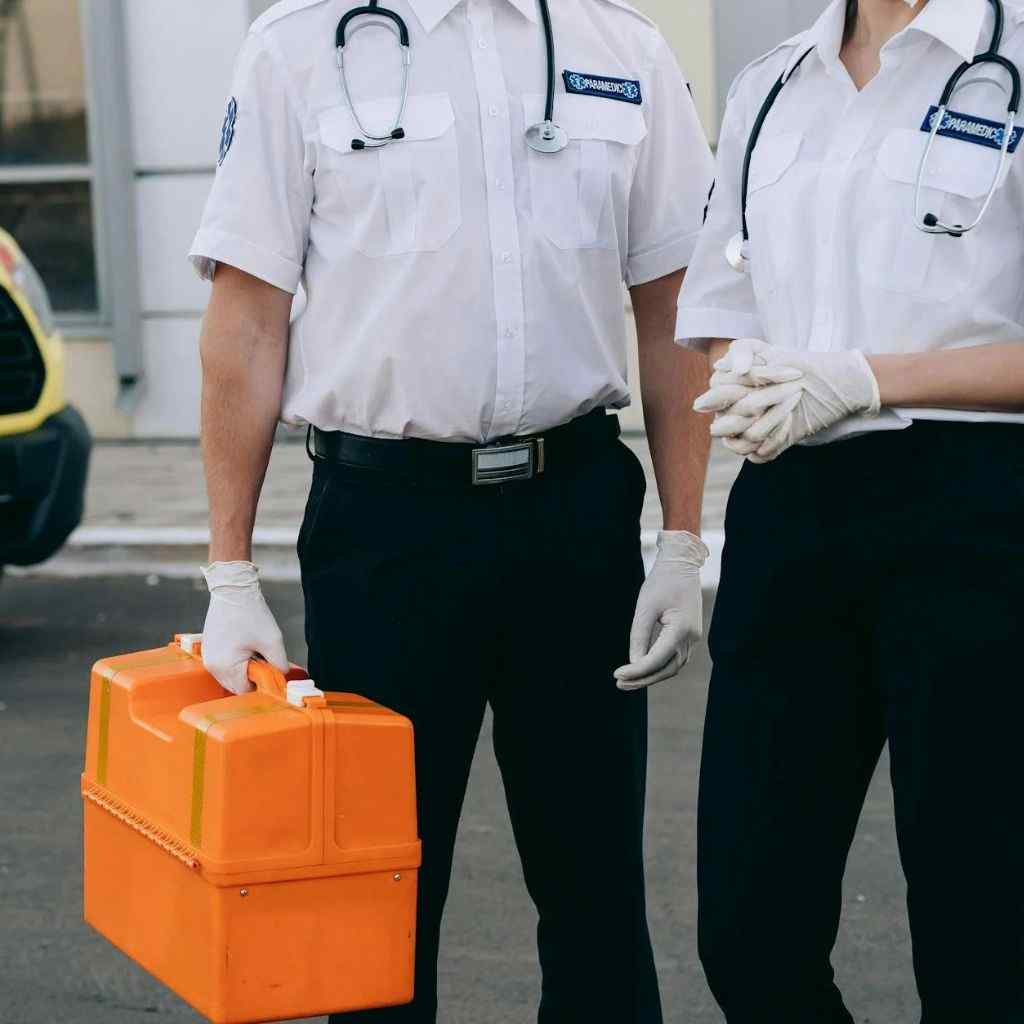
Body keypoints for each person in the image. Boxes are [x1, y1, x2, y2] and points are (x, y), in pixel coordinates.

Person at [189, 0, 715, 1019]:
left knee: (595, 891)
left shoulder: (622, 50)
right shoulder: (298, 48)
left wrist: (683, 542)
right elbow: (246, 323)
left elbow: (675, 306)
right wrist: (229, 573)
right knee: (378, 907)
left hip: (575, 522)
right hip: (383, 531)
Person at [677, 0, 1024, 1020]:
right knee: (747, 930)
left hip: (978, 512)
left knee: (982, 936)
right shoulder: (775, 84)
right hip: (793, 508)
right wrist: (742, 375)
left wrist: (868, 376)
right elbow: (719, 308)